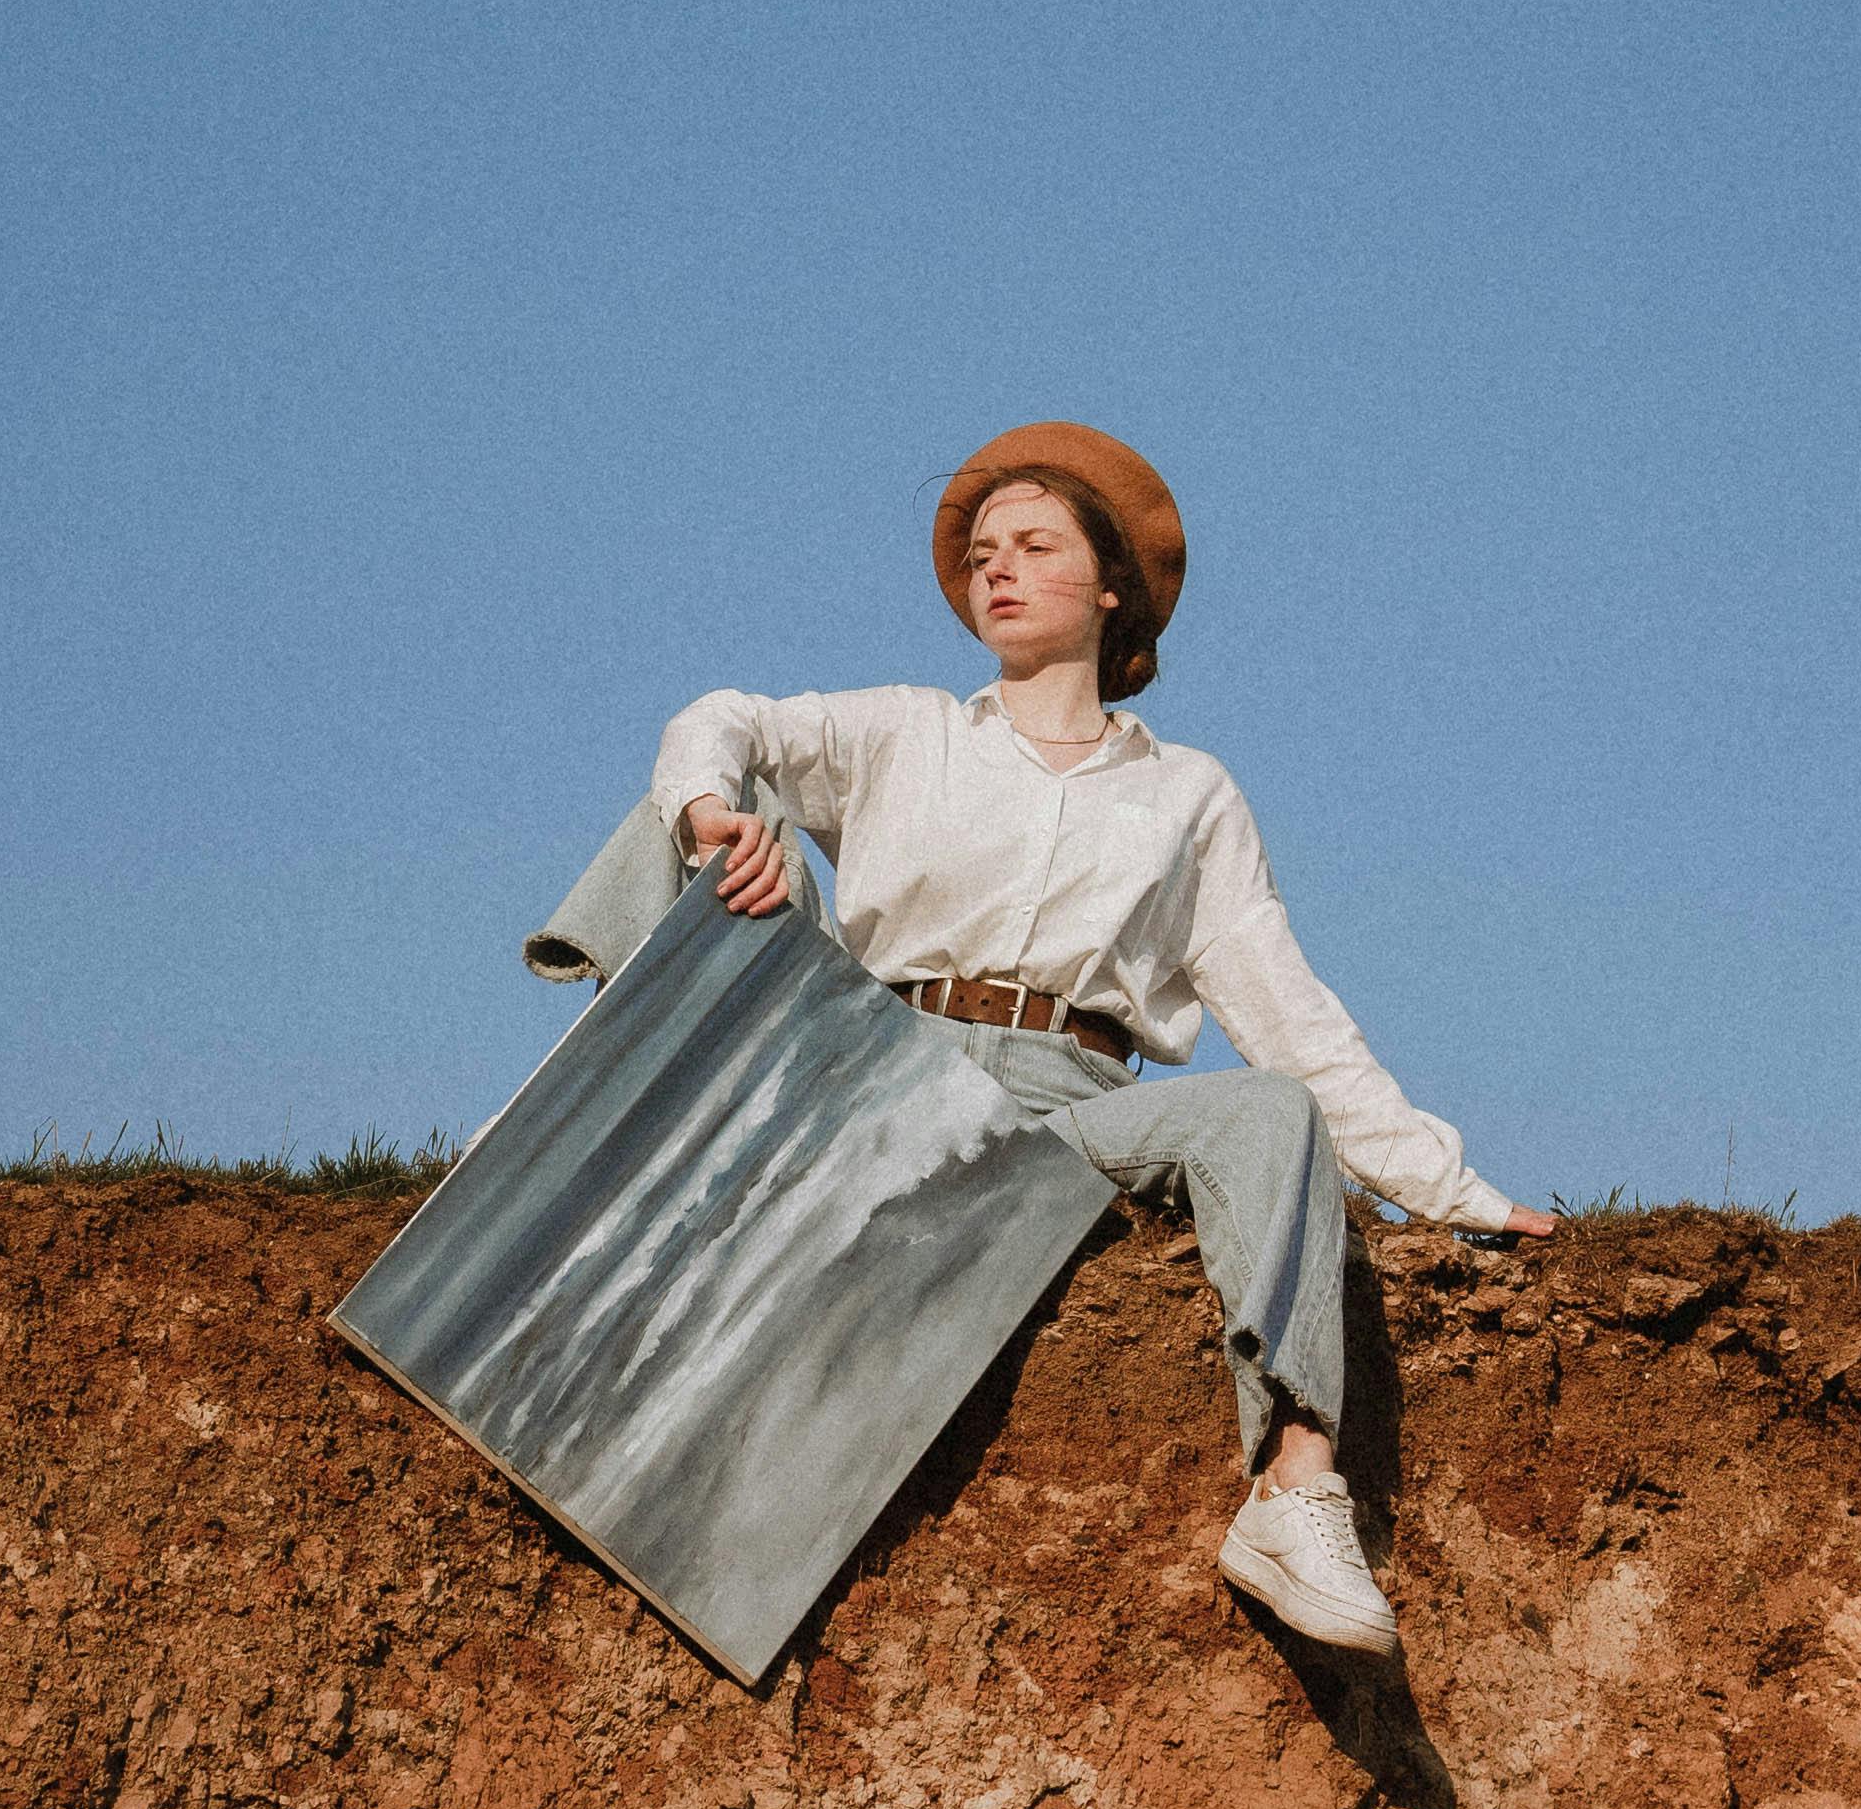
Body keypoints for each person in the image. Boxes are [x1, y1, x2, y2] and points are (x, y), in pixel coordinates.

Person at [650, 416, 1548, 1661]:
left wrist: (1456, 1192)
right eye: (978, 554)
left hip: (1065, 1111)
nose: (993, 569)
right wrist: (709, 816)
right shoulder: (905, 730)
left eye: (1030, 543)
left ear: (1111, 584)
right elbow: (721, 716)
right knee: (701, 815)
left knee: (1269, 1106)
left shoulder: (1190, 798)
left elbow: (1293, 1018)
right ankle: (615, 1114)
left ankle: (1293, 1493)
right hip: (870, 1067)